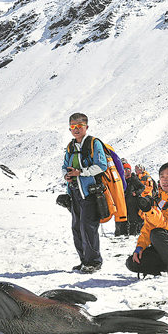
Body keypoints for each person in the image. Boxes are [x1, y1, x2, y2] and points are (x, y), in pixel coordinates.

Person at [62, 113, 108, 274]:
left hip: (90, 193)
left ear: (86, 127)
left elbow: (102, 165)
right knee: (76, 227)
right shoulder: (70, 146)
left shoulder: (94, 144)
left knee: (88, 227)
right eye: (72, 126)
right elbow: (65, 165)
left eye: (79, 126)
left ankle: (94, 261)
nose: (76, 129)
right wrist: (67, 175)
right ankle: (84, 260)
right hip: (75, 192)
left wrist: (80, 172)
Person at [120, 162, 145, 236]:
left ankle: (133, 233)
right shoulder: (122, 180)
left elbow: (142, 187)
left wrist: (136, 193)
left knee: (133, 218)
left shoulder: (134, 179)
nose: (126, 171)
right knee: (125, 217)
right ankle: (125, 233)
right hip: (125, 201)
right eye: (124, 169)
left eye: (128, 169)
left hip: (133, 202)